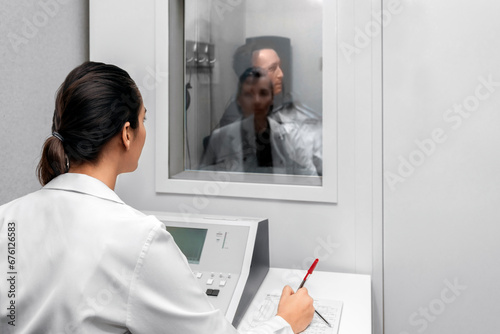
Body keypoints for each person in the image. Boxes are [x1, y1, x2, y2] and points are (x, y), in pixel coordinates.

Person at [0, 61, 314, 333]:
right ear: (126, 133)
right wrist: (286, 321)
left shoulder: (7, 218)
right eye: (144, 119)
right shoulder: (137, 240)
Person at [200, 67, 320, 176]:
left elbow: (310, 184)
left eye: (263, 93)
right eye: (249, 94)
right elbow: (201, 182)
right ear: (238, 100)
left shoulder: (292, 138)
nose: (257, 101)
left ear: (272, 99)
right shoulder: (219, 139)